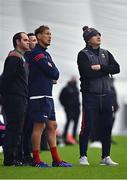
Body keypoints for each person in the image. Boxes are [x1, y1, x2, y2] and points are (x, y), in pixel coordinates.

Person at [27, 25, 72, 167]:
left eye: (50, 34)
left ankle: (56, 160)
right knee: (39, 127)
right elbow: (52, 72)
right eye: (47, 34)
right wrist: (51, 71)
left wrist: (51, 71)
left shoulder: (46, 54)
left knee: (52, 126)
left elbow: (56, 72)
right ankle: (37, 160)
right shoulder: (35, 53)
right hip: (38, 96)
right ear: (39, 36)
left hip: (48, 96)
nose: (50, 36)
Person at [77, 26, 120, 166]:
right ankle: (83, 156)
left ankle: (105, 157)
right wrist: (106, 70)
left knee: (107, 126)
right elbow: (86, 74)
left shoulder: (105, 53)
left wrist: (101, 67)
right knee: (87, 126)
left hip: (106, 95)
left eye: (99, 35)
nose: (99, 37)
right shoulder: (83, 54)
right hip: (90, 96)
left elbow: (117, 68)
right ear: (88, 39)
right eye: (95, 35)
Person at [1, 32, 29, 166]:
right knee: (14, 128)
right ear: (17, 42)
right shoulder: (14, 58)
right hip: (14, 98)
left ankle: (14, 157)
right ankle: (10, 159)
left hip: (19, 97)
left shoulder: (20, 58)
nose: (28, 42)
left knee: (16, 128)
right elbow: (6, 79)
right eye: (25, 40)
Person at [22, 33, 38, 165]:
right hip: (23, 98)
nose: (34, 43)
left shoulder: (33, 59)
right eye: (32, 40)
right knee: (25, 128)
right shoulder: (22, 59)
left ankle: (27, 155)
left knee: (29, 128)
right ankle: (24, 155)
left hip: (30, 98)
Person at [59, 76, 80, 145]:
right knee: (68, 122)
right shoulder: (66, 88)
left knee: (76, 123)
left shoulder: (76, 88)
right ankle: (64, 137)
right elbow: (61, 98)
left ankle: (73, 137)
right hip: (69, 109)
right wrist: (65, 106)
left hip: (77, 109)